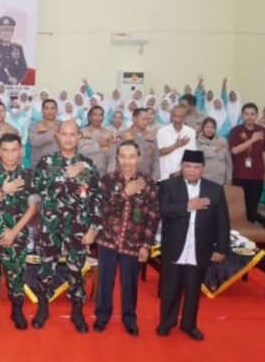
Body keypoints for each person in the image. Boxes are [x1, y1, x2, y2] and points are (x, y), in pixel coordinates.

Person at [32, 121, 103, 333]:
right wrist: (66, 176)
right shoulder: (46, 162)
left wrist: (94, 228)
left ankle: (77, 310)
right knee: (46, 268)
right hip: (51, 227)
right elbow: (39, 191)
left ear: (79, 136)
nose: (69, 138)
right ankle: (43, 307)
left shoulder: (88, 165)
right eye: (65, 134)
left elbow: (97, 198)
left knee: (76, 270)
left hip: (78, 227)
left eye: (73, 134)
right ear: (57, 136)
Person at [156, 150, 229, 341]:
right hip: (174, 246)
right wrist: (188, 206)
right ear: (182, 167)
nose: (191, 170)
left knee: (193, 290)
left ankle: (189, 325)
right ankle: (166, 323)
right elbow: (161, 210)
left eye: (196, 167)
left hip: (200, 248)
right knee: (170, 288)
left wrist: (221, 248)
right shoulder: (168, 186)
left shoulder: (215, 189)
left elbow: (223, 222)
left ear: (203, 169)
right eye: (188, 166)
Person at [93, 140, 160, 336]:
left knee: (130, 283)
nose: (127, 161)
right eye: (123, 156)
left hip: (134, 243)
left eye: (131, 157)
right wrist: (124, 194)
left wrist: (146, 245)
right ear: (117, 158)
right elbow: (99, 211)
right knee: (105, 281)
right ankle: (102, 316)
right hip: (108, 240)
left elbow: (153, 216)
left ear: (139, 158)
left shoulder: (148, 184)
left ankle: (129, 319)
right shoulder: (107, 180)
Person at [0, 133, 38, 330]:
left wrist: (13, 232)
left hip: (16, 236)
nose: (10, 155)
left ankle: (17, 310)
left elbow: (32, 208)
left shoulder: (28, 175)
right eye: (6, 150)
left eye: (14, 150)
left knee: (16, 274)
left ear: (20, 152)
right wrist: (3, 191)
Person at [228, 103, 265, 225]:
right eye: (246, 114)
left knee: (252, 208)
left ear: (257, 115)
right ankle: (237, 233)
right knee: (238, 209)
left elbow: (263, 153)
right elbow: (235, 150)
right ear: (242, 115)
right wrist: (253, 139)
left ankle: (250, 232)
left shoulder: (262, 131)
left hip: (257, 176)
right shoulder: (235, 131)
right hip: (240, 175)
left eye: (252, 114)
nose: (249, 117)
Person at [108, 108, 160, 180]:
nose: (146, 122)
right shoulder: (122, 135)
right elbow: (114, 158)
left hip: (146, 178)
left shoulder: (151, 137)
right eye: (143, 119)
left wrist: (154, 178)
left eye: (147, 120)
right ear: (134, 119)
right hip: (125, 178)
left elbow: (155, 159)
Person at [157, 105, 197, 180]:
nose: (178, 120)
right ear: (171, 116)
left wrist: (182, 171)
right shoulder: (162, 131)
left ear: (185, 117)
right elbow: (159, 152)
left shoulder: (191, 132)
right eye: (175, 116)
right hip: (165, 174)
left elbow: (192, 155)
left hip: (184, 174)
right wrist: (176, 145)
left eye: (181, 117)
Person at [197, 117, 232, 186]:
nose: (209, 129)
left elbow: (228, 162)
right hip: (203, 177)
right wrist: (214, 148)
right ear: (202, 128)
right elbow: (200, 151)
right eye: (207, 127)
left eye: (212, 127)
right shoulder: (197, 141)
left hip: (219, 178)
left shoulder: (223, 141)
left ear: (215, 128)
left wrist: (229, 178)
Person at [79, 106, 112, 174]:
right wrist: (98, 145)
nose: (98, 118)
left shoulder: (108, 133)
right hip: (85, 171)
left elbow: (111, 156)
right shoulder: (82, 132)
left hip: (103, 172)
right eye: (95, 114)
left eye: (101, 115)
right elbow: (80, 151)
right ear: (89, 117)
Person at [28, 99, 60, 168]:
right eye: (47, 108)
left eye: (52, 108)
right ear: (42, 110)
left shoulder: (62, 125)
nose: (50, 111)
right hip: (39, 166)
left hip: (59, 165)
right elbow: (33, 141)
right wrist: (51, 133)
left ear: (56, 110)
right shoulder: (35, 125)